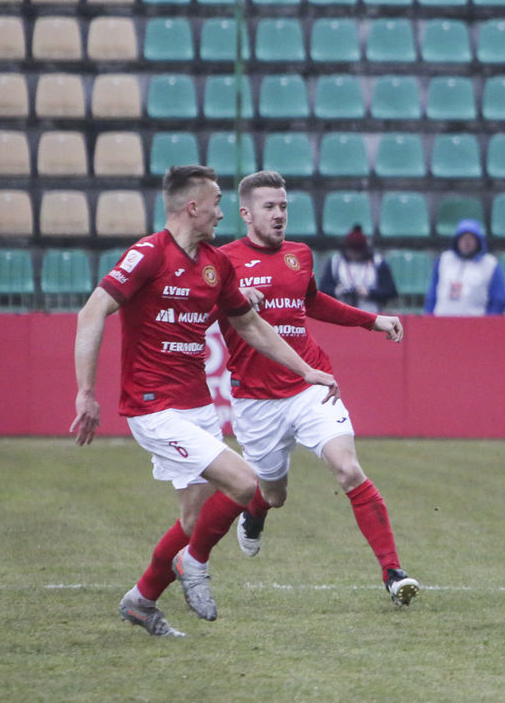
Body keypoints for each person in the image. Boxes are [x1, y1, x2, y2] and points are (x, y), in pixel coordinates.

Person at [71, 165, 339, 637]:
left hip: (196, 404)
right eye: (215, 203)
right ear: (192, 207)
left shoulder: (216, 263)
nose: (221, 212)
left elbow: (250, 324)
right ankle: (192, 564)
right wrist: (86, 393)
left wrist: (305, 370)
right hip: (153, 406)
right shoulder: (148, 254)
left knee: (195, 518)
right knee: (247, 484)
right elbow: (92, 311)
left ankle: (141, 600)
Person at [216, 170, 420, 607]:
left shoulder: (300, 255)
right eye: (269, 207)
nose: (279, 214)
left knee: (348, 469)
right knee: (275, 494)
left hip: (311, 383)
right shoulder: (223, 262)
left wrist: (372, 320)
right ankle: (257, 511)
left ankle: (393, 572)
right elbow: (198, 305)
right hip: (256, 401)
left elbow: (312, 302)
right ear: (246, 213)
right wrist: (233, 296)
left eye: (284, 206)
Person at [425, 218, 505, 316]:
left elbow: (498, 300)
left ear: (478, 241)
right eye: (463, 238)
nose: (466, 242)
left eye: (470, 239)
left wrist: (489, 322)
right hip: (442, 319)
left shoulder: (490, 264)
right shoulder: (444, 259)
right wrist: (429, 316)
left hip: (474, 321)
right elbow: (432, 294)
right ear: (457, 241)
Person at [319, 224, 397, 314]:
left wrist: (370, 293)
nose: (355, 255)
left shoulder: (377, 262)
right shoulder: (336, 262)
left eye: (358, 251)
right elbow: (323, 289)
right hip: (342, 313)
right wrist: (337, 291)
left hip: (371, 312)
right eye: (352, 251)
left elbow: (391, 291)